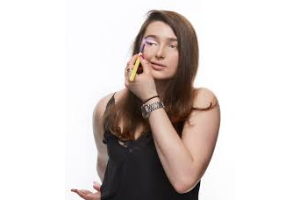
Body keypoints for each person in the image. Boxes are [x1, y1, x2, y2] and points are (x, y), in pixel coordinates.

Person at [71, 9, 220, 200]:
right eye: (150, 43)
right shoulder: (106, 107)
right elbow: (109, 170)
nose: (159, 53)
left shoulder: (201, 102)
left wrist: (149, 98)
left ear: (187, 56)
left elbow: (184, 180)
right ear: (139, 48)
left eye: (173, 46)